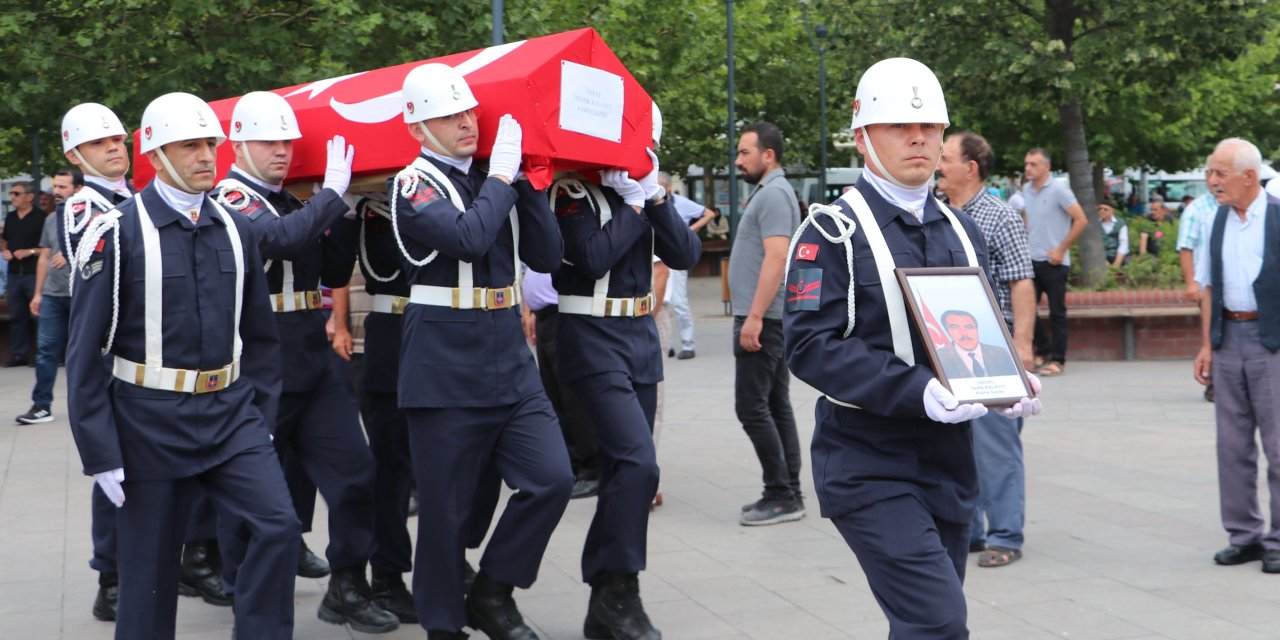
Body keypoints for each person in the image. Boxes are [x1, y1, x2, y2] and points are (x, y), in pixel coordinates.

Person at [783, 57, 1042, 638]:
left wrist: (1008, 377)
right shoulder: (830, 232)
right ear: (862, 137)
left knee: (927, 623)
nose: (919, 138)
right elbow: (810, 346)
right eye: (899, 125)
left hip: (948, 461)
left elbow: (973, 326)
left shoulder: (960, 227)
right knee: (939, 621)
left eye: (930, 128)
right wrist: (916, 389)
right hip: (867, 461)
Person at [66, 91, 300, 640]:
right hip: (148, 418)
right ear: (154, 154)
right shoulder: (116, 233)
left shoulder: (235, 228)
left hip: (231, 413)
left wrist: (260, 418)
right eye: (188, 146)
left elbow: (261, 337)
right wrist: (99, 451)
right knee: (148, 573)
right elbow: (84, 353)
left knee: (278, 525)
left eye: (209, 145)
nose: (204, 156)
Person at [390, 63, 573, 640]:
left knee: (552, 478)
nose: (467, 122)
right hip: (444, 356)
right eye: (449, 116)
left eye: (468, 111)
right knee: (445, 512)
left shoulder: (495, 176)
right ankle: (444, 625)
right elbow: (467, 240)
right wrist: (499, 178)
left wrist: (523, 184)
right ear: (418, 129)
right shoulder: (412, 184)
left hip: (506, 350)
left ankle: (492, 590)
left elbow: (546, 256)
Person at [209, 91, 399, 633]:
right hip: (258, 356)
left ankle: (346, 585)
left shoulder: (295, 200)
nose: (283, 151)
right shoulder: (229, 198)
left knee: (355, 473)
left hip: (310, 352)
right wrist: (333, 195)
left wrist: (351, 210)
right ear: (239, 143)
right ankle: (246, 593)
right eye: (270, 141)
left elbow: (333, 269)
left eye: (288, 141)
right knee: (250, 488)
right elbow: (282, 240)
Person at [551, 137, 701, 637]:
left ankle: (608, 598)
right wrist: (635, 203)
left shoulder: (637, 189)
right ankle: (619, 587)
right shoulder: (571, 190)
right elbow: (592, 256)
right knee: (640, 463)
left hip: (637, 338)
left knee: (623, 471)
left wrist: (654, 195)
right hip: (590, 337)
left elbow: (685, 253)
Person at [936, 130, 1038, 569]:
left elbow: (1021, 281)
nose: (937, 164)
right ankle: (972, 530)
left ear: (970, 168)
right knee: (957, 442)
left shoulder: (999, 216)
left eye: (944, 157)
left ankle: (1005, 535)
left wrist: (1023, 346)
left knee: (996, 446)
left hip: (995, 350)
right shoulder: (936, 215)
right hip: (950, 351)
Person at [54, 101, 137, 622]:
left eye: (118, 139)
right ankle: (109, 576)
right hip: (111, 356)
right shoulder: (83, 206)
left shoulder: (136, 198)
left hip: (150, 355)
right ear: (76, 155)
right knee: (116, 471)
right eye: (100, 143)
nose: (114, 147)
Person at [1192, 137, 1280, 575]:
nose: (1212, 181)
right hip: (1229, 339)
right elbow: (1208, 286)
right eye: (1211, 172)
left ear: (1250, 176)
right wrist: (1208, 343)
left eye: (1220, 173)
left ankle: (1279, 540)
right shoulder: (1218, 221)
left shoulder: (1279, 217)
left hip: (1272, 343)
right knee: (1232, 446)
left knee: (1279, 446)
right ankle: (1244, 536)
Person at [729, 121, 803, 526]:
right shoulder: (770, 192)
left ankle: (780, 494)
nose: (739, 160)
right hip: (768, 317)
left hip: (763, 318)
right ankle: (788, 490)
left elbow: (777, 257)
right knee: (775, 405)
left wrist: (754, 316)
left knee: (752, 407)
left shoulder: (773, 194)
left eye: (744, 152)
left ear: (768, 155)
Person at [522, 268, 601, 498]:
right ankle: (573, 465)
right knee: (554, 395)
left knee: (573, 398)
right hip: (544, 313)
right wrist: (529, 307)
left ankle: (592, 470)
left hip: (565, 312)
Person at [17, 169, 79, 425]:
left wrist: (72, 252)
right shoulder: (52, 219)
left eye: (63, 187)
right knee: (45, 353)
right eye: (55, 186)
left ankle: (91, 406)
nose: (57, 192)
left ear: (78, 189)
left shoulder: (94, 216)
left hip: (81, 296)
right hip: (53, 296)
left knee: (86, 355)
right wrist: (38, 294)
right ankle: (41, 406)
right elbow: (44, 256)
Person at [1023, 147, 1087, 377]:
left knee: (1057, 313)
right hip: (1031, 258)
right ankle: (1043, 350)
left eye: (1033, 164)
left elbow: (1081, 220)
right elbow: (1031, 219)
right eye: (1027, 164)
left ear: (1046, 167)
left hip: (1055, 262)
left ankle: (1058, 360)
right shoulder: (1026, 190)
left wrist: (1061, 249)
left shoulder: (1060, 190)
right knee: (1027, 309)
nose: (1028, 168)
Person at [656, 171, 716, 360]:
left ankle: (688, 343)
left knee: (679, 301)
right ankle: (668, 343)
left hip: (676, 258)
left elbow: (708, 214)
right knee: (661, 301)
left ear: (668, 187)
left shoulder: (681, 203)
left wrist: (690, 230)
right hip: (658, 257)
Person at [1, 180, 46, 367]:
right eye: (11, 193)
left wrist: (30, 251)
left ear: (29, 196)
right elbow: (4, 239)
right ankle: (18, 355)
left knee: (38, 316)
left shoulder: (41, 217)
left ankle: (41, 356)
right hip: (14, 274)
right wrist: (4, 250)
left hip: (34, 273)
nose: (12, 197)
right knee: (17, 316)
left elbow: (48, 247)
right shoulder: (11, 217)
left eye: (17, 193)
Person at [935, 310, 1018, 380]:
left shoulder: (1000, 353)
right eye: (955, 327)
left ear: (977, 329)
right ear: (947, 331)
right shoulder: (940, 357)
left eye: (969, 327)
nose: (964, 333)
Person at [1098, 202, 1129, 267]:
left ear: (1112, 211)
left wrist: (1116, 264)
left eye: (1105, 209)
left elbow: (1123, 244)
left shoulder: (1120, 223)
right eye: (1100, 209)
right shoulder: (1096, 223)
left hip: (1117, 255)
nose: (1102, 211)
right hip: (1101, 256)